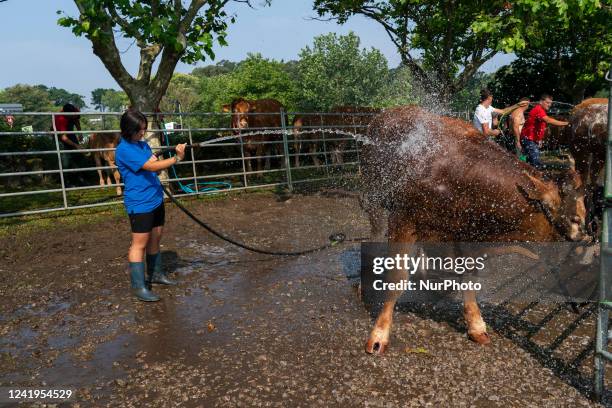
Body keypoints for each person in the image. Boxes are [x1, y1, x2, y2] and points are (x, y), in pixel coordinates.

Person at [115, 110, 187, 302]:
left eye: (144, 130)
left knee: (155, 239)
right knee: (139, 244)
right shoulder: (124, 150)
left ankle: (155, 274)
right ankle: (138, 286)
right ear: (128, 130)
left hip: (155, 198)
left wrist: (157, 160)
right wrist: (177, 158)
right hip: (140, 203)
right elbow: (151, 167)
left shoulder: (141, 145)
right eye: (139, 130)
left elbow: (152, 162)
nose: (143, 134)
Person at [520, 93, 569, 169]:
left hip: (530, 139)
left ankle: (528, 177)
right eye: (547, 102)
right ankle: (536, 178)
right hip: (528, 140)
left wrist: (539, 140)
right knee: (536, 164)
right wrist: (566, 123)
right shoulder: (538, 109)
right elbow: (548, 120)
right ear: (541, 102)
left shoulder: (540, 110)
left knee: (530, 163)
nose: (549, 105)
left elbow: (539, 126)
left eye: (550, 103)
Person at [54, 103, 84, 186]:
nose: (73, 117)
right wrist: (76, 145)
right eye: (72, 116)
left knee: (78, 156)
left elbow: (77, 121)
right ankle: (65, 182)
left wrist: (80, 133)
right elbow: (63, 137)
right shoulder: (61, 119)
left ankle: (80, 179)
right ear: (67, 114)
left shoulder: (75, 111)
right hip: (60, 136)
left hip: (70, 133)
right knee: (65, 160)